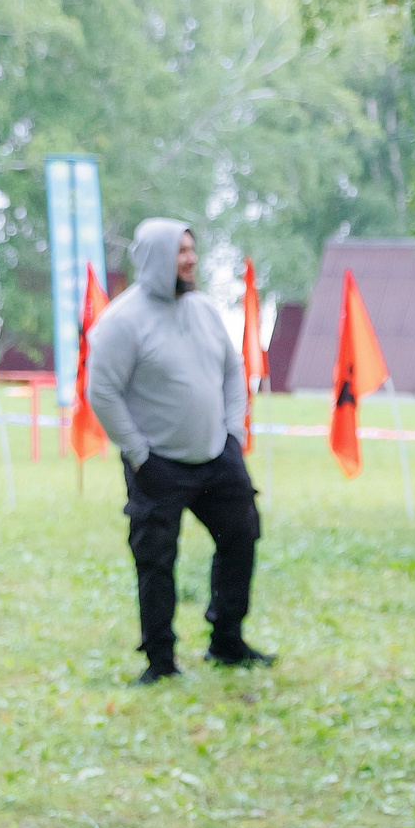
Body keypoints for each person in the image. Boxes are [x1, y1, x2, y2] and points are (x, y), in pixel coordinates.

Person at [84, 218, 271, 684]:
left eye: (192, 249)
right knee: (156, 560)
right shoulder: (122, 322)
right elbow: (102, 392)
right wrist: (138, 453)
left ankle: (226, 641)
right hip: (157, 464)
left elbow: (233, 369)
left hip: (217, 456)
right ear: (154, 258)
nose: (190, 259)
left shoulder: (205, 309)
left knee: (242, 536)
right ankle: (160, 661)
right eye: (180, 251)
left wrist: (233, 432)